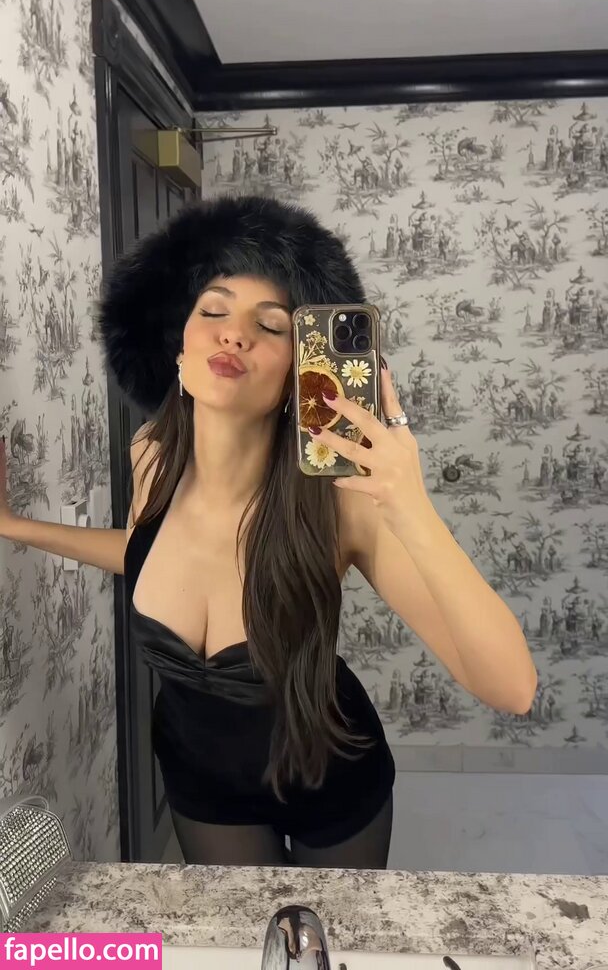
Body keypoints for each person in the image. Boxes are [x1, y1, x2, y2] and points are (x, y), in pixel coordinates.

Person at [0, 195, 538, 868]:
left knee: (322, 932)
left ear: (299, 374)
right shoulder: (151, 458)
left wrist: (412, 507)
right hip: (200, 783)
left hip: (329, 777)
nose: (234, 335)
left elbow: (512, 688)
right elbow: (145, 554)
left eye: (271, 324)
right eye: (213, 311)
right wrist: (15, 526)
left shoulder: (342, 505)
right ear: (178, 347)